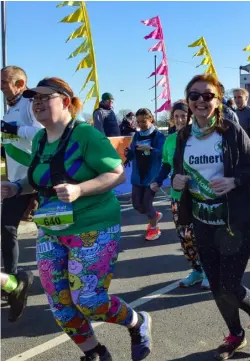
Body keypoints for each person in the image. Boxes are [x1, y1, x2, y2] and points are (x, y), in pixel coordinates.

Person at [0, 77, 153, 361]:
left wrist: (79, 189)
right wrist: (17, 187)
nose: (38, 104)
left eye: (45, 98)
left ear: (66, 102)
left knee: (90, 301)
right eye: (34, 100)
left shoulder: (86, 135)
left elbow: (116, 174)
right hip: (51, 228)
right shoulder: (39, 139)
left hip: (93, 225)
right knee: (60, 304)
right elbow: (43, 181)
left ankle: (138, 322)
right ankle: (95, 353)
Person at [172, 74, 250, 360]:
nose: (201, 101)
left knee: (230, 282)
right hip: (203, 220)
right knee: (215, 284)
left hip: (234, 219)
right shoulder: (183, 136)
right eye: (194, 96)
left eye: (208, 96)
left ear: (217, 101)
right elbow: (178, 172)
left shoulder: (230, 131)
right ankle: (235, 334)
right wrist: (177, 180)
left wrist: (234, 181)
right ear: (188, 101)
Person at [151, 99, 209, 289]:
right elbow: (166, 164)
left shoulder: (200, 137)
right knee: (185, 236)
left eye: (184, 116)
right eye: (176, 116)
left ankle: (210, 271)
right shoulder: (169, 140)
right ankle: (196, 270)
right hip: (178, 195)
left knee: (203, 234)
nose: (180, 119)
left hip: (200, 194)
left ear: (190, 117)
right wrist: (157, 180)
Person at [0, 66, 43, 283]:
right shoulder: (9, 109)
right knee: (6, 229)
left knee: (52, 228)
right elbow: (10, 142)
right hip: (18, 182)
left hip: (39, 177)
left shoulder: (30, 104)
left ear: (20, 83)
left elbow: (42, 133)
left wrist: (13, 130)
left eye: (4, 82)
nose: (0, 86)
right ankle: (12, 278)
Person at [124, 108, 166, 241]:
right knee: (137, 204)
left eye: (144, 121)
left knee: (147, 203)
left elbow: (163, 155)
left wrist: (151, 149)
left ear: (151, 119)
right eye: (138, 122)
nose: (141, 124)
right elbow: (132, 152)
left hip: (151, 176)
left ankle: (154, 228)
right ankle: (154, 215)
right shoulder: (136, 135)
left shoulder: (158, 136)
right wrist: (128, 154)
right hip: (137, 175)